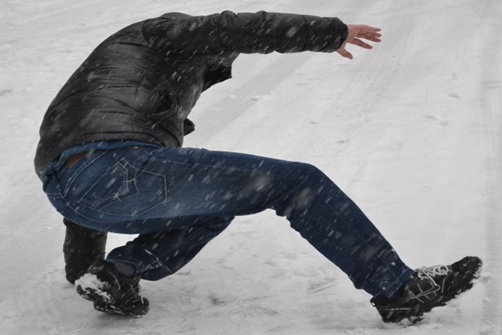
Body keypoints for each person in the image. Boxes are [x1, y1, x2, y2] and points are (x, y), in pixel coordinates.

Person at [35, 11, 481, 322]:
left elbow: (84, 191)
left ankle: (119, 274)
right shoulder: (159, 34)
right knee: (296, 183)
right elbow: (231, 29)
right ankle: (400, 289)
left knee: (214, 205)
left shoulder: (92, 105)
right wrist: (328, 34)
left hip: (74, 188)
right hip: (117, 167)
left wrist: (85, 267)